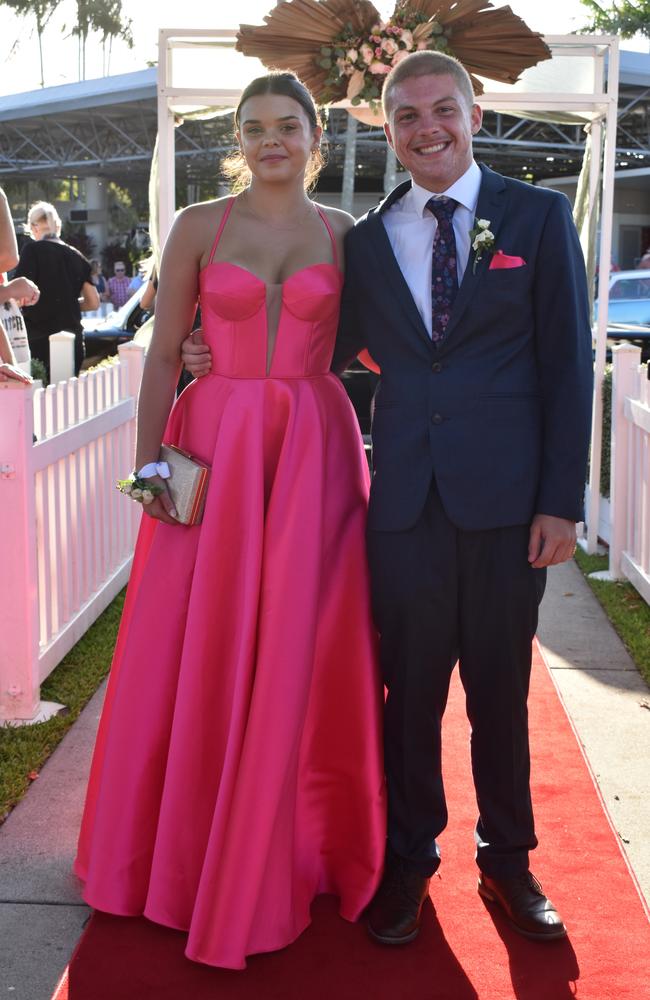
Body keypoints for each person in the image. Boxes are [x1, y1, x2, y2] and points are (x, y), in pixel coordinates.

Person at [182, 51, 593, 945]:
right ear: (387, 130)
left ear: (473, 114)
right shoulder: (362, 241)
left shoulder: (538, 215)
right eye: (406, 117)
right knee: (405, 695)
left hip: (506, 507)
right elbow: (318, 343)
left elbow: (567, 366)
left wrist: (561, 500)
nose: (426, 128)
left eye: (442, 110)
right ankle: (410, 859)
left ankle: (510, 860)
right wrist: (204, 353)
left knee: (499, 691)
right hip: (401, 503)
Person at [74, 71, 386, 971]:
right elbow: (166, 354)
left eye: (287, 126)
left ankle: (302, 848)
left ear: (315, 135)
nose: (270, 140)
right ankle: (169, 857)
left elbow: (378, 342)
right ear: (237, 141)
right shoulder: (197, 227)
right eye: (254, 128)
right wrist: (150, 478)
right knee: (193, 643)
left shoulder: (346, 234)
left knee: (306, 641)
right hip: (215, 444)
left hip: (315, 451)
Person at [13, 201, 99, 377]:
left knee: (39, 397)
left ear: (34, 227)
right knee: (66, 398)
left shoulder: (32, 250)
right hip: (73, 338)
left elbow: (18, 293)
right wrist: (67, 304)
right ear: (57, 225)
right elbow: (93, 302)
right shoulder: (78, 257)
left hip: (39, 338)